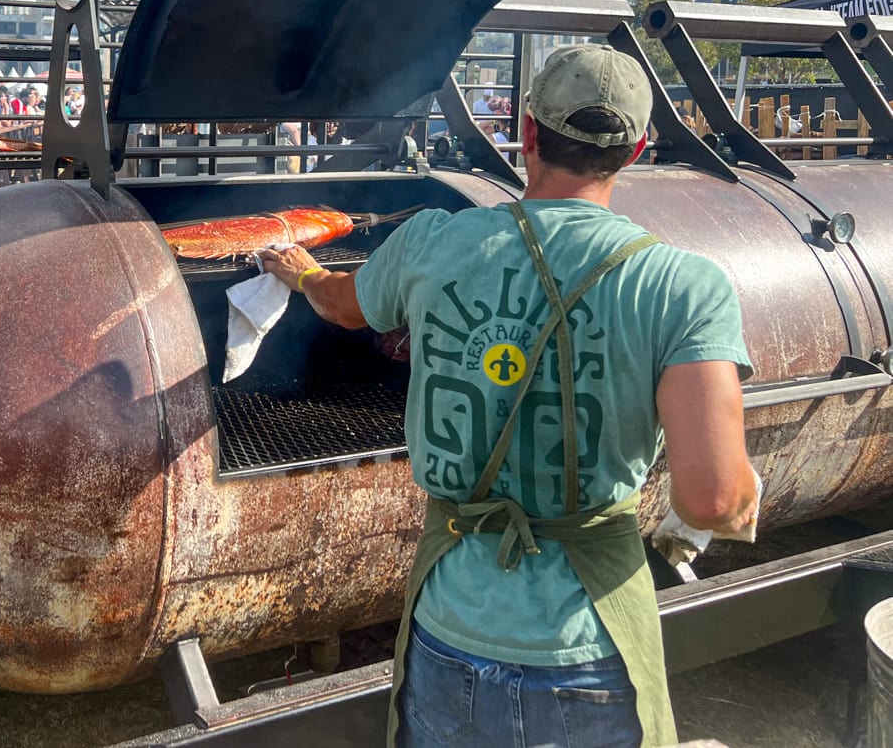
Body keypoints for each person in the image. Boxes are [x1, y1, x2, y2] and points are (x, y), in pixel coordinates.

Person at [259, 44, 758, 748]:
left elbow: (344, 306)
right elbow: (713, 499)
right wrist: (741, 492)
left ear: (527, 135)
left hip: (449, 628)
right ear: (638, 148)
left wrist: (305, 272)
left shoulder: (432, 240)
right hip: (587, 640)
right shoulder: (682, 284)